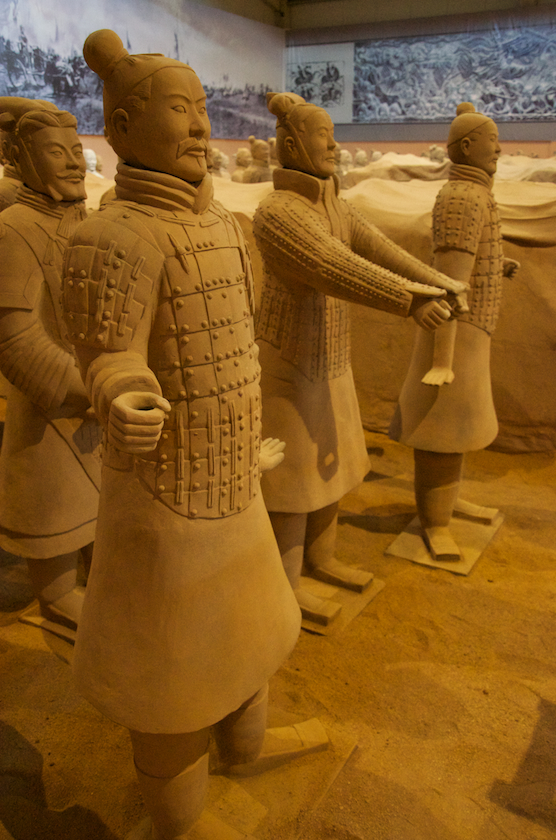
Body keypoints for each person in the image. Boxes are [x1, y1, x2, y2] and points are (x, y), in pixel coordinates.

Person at [63, 30, 304, 840]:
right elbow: (108, 356)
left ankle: (244, 753)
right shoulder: (113, 236)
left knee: (251, 639)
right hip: (167, 498)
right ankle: (178, 822)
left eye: (202, 108)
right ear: (123, 127)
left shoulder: (226, 226)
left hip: (235, 481)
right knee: (171, 675)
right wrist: (126, 398)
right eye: (180, 109)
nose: (200, 125)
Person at [253, 91, 466, 624]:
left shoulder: (332, 203)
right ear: (291, 145)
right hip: (289, 366)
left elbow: (376, 248)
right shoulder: (279, 212)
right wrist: (411, 300)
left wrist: (438, 282)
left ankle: (322, 560)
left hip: (330, 360)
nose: (333, 144)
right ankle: (285, 585)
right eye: (322, 135)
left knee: (335, 468)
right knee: (293, 482)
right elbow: (334, 266)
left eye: (332, 134)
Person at [389, 103, 519, 562]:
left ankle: (448, 502)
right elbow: (448, 282)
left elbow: (466, 264)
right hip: (454, 335)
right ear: (466, 147)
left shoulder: (474, 193)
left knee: (460, 427)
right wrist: (442, 361)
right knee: (441, 429)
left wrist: (496, 264)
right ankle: (435, 522)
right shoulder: (464, 198)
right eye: (492, 141)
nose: (499, 149)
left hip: (469, 331)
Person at [0, 96, 100, 630]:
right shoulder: (13, 228)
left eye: (76, 150)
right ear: (21, 160)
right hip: (49, 409)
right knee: (52, 503)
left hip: (97, 401)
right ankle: (56, 596)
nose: (73, 162)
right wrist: (89, 389)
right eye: (56, 152)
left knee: (97, 507)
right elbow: (14, 341)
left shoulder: (88, 221)